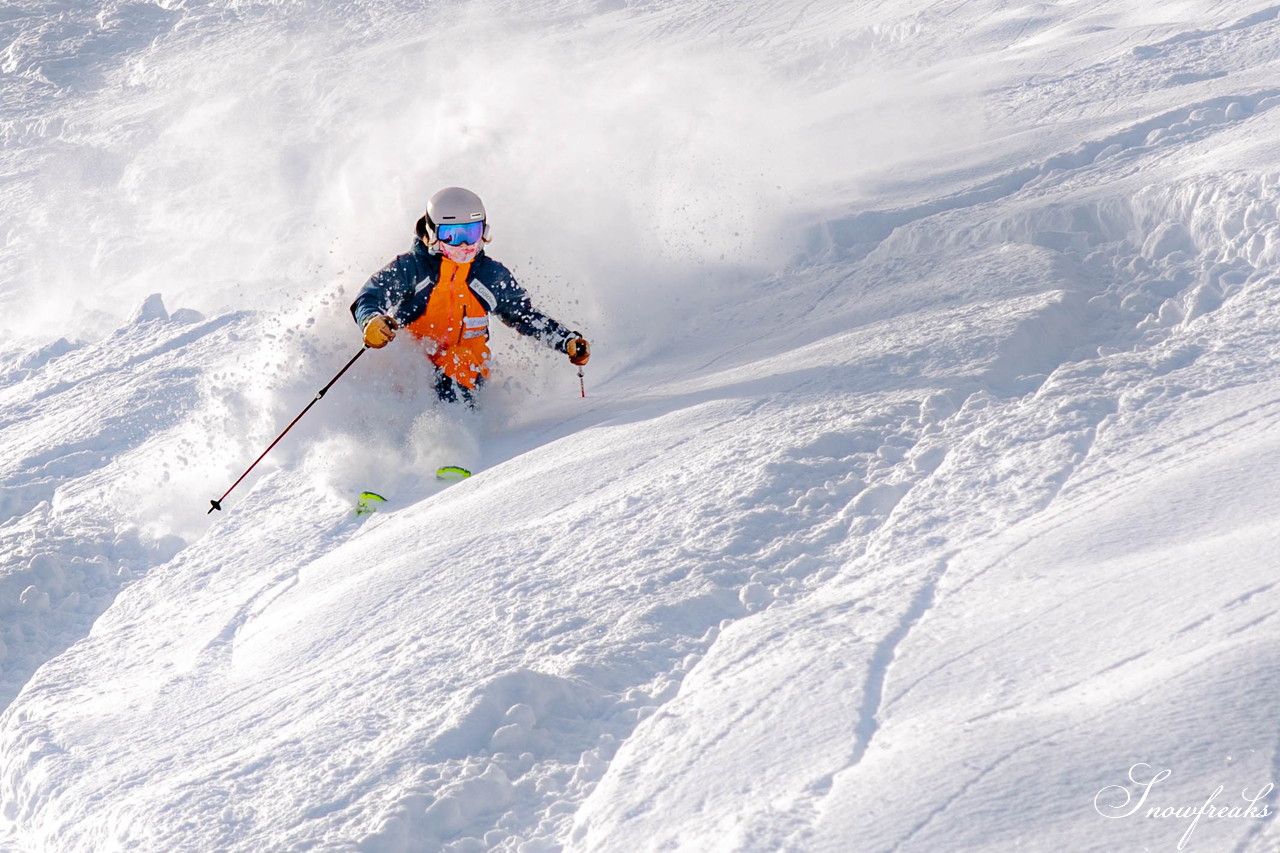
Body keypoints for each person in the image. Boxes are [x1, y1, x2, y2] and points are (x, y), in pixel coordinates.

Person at [351, 186, 590, 406]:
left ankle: (458, 436)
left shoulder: (488, 275)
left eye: (472, 232)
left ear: (484, 232)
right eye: (452, 235)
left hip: (465, 376)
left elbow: (524, 316)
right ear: (432, 233)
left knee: (459, 364)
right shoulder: (412, 269)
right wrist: (371, 321)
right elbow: (369, 297)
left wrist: (565, 340)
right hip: (415, 373)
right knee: (410, 385)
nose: (464, 244)